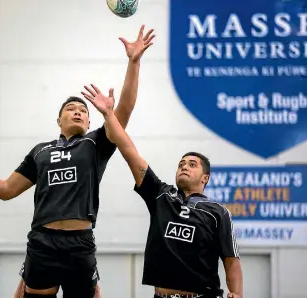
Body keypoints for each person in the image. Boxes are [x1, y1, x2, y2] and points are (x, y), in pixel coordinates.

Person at [0, 25, 155, 298]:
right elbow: (6, 190)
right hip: (43, 243)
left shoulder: (96, 143)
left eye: (83, 110)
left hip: (79, 243)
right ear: (59, 120)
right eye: (70, 109)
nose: (77, 112)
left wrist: (133, 62)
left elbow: (125, 110)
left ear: (89, 121)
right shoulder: (40, 151)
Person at [81, 85, 243, 298]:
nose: (184, 166)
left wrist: (237, 293)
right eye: (181, 163)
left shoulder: (218, 212)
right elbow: (129, 150)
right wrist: (110, 115)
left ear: (206, 178)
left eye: (192, 164)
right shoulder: (161, 195)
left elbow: (231, 259)